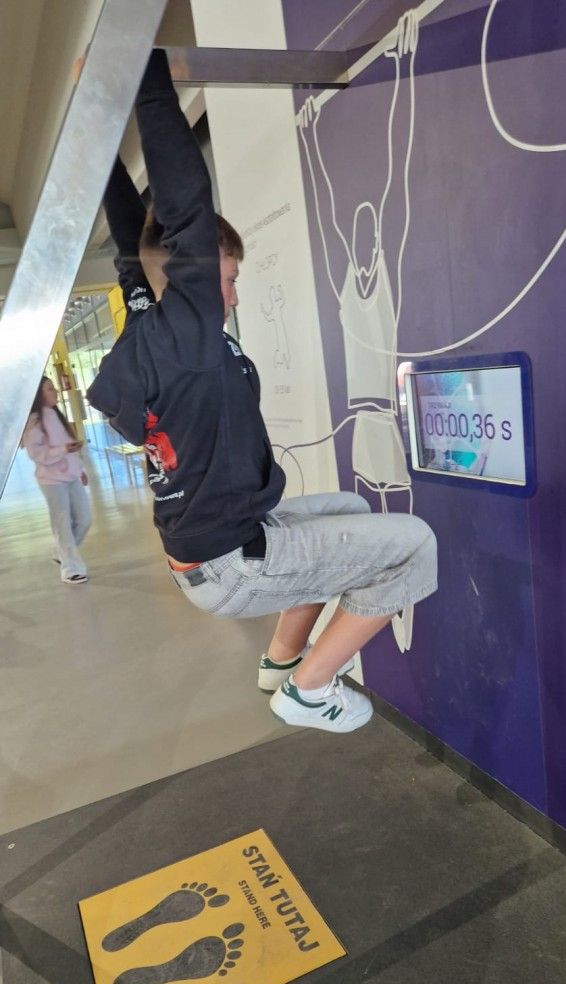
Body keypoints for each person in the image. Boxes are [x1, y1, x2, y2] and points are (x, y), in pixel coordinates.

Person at [87, 49, 438, 734]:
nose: (234, 294)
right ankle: (309, 688)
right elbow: (184, 199)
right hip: (232, 565)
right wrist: (142, 68)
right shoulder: (188, 333)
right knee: (413, 543)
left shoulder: (149, 316)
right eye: (227, 279)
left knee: (348, 507)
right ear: (190, 278)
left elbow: (134, 236)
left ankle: (281, 663)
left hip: (213, 547)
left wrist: (104, 99)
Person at [21, 376, 91, 584]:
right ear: (39, 395)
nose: (56, 392)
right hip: (51, 481)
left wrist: (80, 469)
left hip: (71, 476)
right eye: (50, 389)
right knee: (62, 524)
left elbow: (69, 446)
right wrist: (63, 450)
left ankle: (60, 551)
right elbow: (37, 454)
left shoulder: (56, 416)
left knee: (84, 519)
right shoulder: (34, 421)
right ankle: (71, 569)